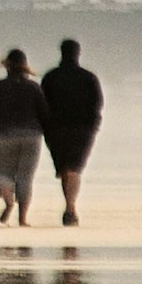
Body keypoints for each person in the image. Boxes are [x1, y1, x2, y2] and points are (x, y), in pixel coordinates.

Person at [40, 38, 106, 228]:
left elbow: (43, 104)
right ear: (78, 53)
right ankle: (70, 208)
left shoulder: (51, 77)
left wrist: (46, 127)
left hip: (56, 129)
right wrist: (94, 126)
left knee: (65, 169)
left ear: (61, 52)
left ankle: (70, 207)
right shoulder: (88, 78)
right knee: (74, 169)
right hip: (82, 129)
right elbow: (97, 104)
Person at [0, 48, 47, 226]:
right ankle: (23, 219)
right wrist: (48, 136)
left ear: (7, 66)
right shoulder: (34, 87)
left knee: (3, 173)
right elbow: (44, 114)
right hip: (31, 136)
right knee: (26, 177)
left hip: (4, 135)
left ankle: (9, 202)